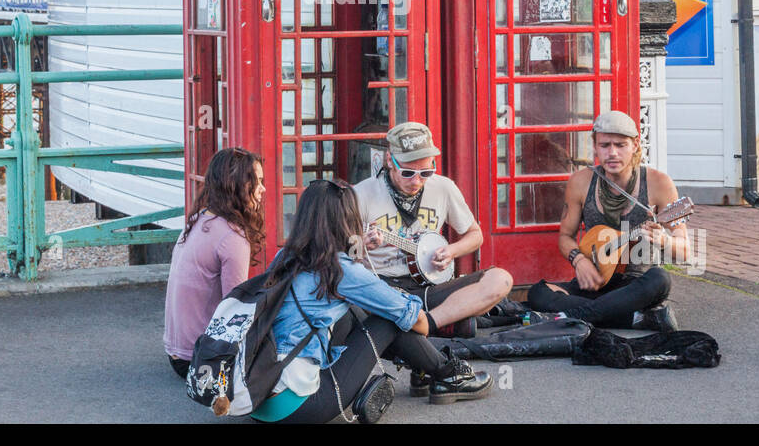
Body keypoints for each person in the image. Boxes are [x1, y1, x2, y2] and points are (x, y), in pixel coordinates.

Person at [251, 177, 492, 423]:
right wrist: (419, 320)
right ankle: (447, 374)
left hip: (259, 400)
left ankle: (425, 368)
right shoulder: (341, 269)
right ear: (347, 219)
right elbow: (415, 319)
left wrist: (357, 249)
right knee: (389, 318)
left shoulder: (286, 256)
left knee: (350, 311)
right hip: (299, 409)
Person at [356, 122, 514, 346]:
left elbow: (475, 235)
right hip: (383, 289)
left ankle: (426, 324)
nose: (417, 181)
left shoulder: (443, 187)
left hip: (431, 288)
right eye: (408, 172)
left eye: (426, 172)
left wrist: (451, 251)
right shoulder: (362, 194)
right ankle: (446, 322)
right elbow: (340, 253)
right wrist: (362, 245)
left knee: (501, 280)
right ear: (390, 159)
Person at [527, 110, 685, 332]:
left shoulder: (659, 183)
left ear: (636, 145)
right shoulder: (581, 182)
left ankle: (568, 316)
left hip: (635, 288)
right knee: (538, 292)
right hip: (595, 281)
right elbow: (565, 237)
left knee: (660, 278)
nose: (612, 153)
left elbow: (685, 249)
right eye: (605, 145)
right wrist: (579, 260)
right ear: (594, 146)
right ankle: (636, 320)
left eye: (620, 145)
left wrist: (664, 241)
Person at [164, 147, 266, 378]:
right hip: (203, 361)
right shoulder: (232, 237)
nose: (263, 189)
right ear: (236, 185)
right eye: (256, 182)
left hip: (178, 354)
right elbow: (235, 310)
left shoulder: (198, 218)